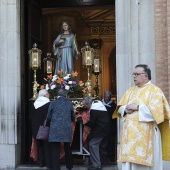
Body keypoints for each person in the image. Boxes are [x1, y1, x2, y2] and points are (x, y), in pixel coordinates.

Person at [113, 64, 170, 170]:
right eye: (134, 74)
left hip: (147, 135)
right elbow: (119, 109)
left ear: (146, 76)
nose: (134, 76)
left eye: (137, 74)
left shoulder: (155, 91)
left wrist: (138, 107)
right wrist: (125, 109)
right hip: (129, 137)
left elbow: (158, 113)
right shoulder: (130, 91)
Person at [47, 88, 75, 170]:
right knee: (67, 147)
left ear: (57, 95)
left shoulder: (52, 103)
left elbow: (48, 116)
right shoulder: (69, 103)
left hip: (55, 128)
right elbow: (73, 116)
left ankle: (56, 167)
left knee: (55, 149)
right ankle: (69, 166)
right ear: (65, 95)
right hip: (66, 127)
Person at [82, 97, 109, 170]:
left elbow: (92, 122)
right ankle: (100, 162)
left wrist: (85, 123)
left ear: (89, 104)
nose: (86, 107)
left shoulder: (94, 109)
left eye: (86, 105)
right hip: (104, 129)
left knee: (93, 144)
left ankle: (96, 165)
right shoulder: (99, 105)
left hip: (100, 130)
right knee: (98, 145)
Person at [30, 89, 52, 169]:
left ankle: (41, 162)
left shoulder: (34, 104)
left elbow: (30, 117)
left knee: (40, 145)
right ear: (45, 95)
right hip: (45, 128)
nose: (49, 95)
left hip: (36, 128)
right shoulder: (48, 104)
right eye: (48, 94)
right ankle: (48, 162)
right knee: (47, 145)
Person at [100, 91, 117, 164]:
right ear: (103, 96)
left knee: (111, 143)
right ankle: (103, 159)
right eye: (106, 97)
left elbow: (114, 116)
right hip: (101, 127)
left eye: (108, 97)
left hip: (110, 127)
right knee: (103, 143)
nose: (107, 98)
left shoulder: (113, 105)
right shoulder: (100, 104)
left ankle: (111, 158)